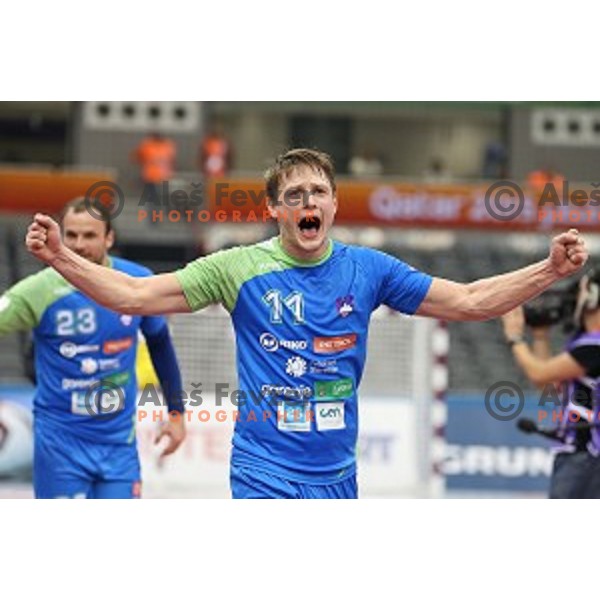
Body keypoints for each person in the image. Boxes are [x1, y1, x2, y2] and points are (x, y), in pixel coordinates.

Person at [25, 149, 588, 499]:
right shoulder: (239, 266)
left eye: (317, 191)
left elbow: (467, 300)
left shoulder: (369, 269)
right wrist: (61, 259)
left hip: (338, 475)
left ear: (335, 205)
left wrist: (547, 270)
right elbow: (136, 294)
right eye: (294, 194)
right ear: (276, 209)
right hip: (261, 471)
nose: (307, 200)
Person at [1, 198, 185, 499]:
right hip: (60, 445)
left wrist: (176, 414)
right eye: (71, 235)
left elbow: (161, 344)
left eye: (89, 235)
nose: (78, 244)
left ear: (109, 238)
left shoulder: (137, 282)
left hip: (118, 444)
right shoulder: (39, 290)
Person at [502, 270, 600, 498]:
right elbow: (551, 388)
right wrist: (540, 337)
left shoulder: (593, 348)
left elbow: (539, 374)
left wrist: (514, 337)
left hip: (586, 456)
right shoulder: (588, 346)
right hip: (583, 456)